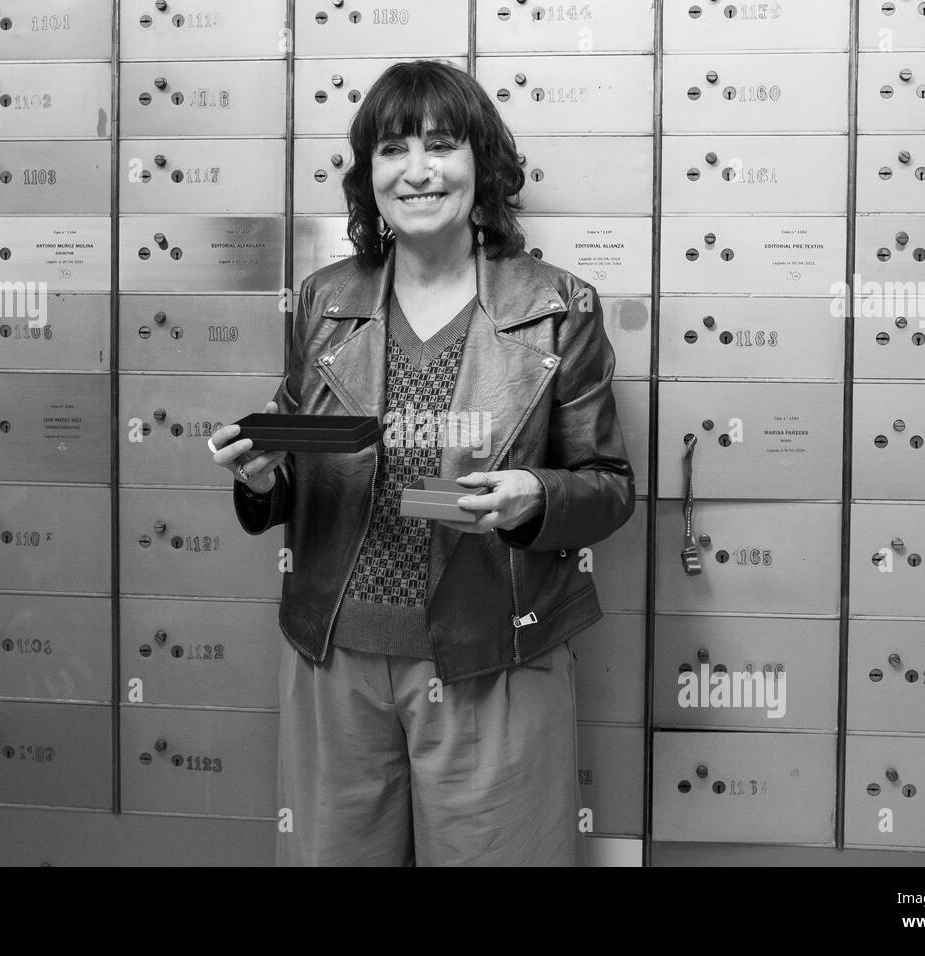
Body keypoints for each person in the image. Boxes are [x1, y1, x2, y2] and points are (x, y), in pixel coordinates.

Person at [210, 59, 634, 866]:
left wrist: (534, 497)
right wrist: (264, 479)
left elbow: (608, 487)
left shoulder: (556, 307)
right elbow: (307, 462)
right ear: (369, 177)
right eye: (392, 149)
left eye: (441, 145)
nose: (417, 170)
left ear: (484, 165)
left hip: (494, 654)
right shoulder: (323, 302)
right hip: (336, 654)